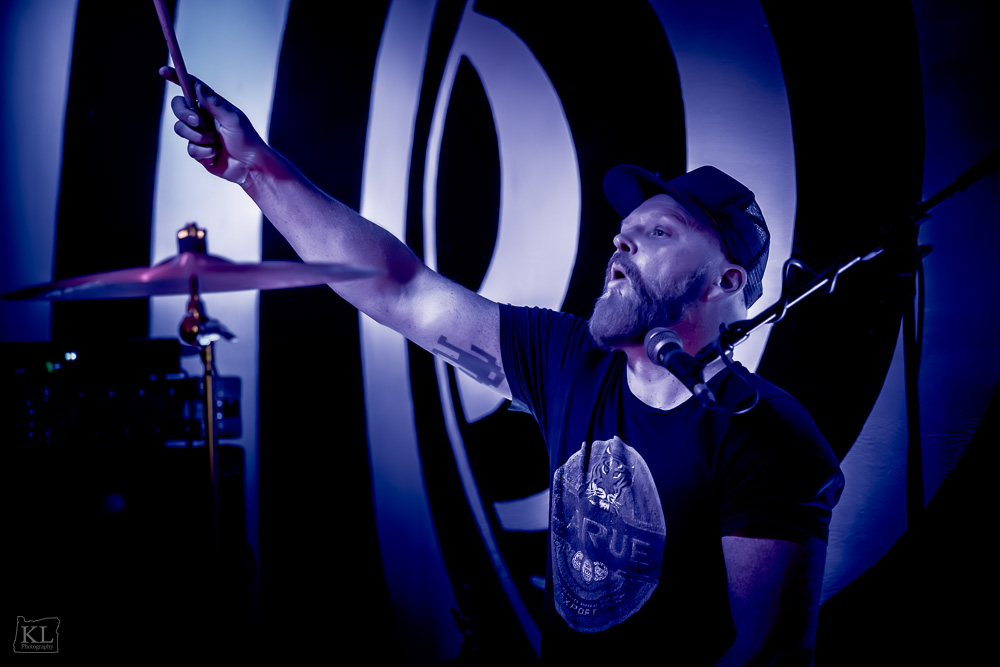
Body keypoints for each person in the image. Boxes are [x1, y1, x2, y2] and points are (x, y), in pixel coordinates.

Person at [161, 67, 844, 665]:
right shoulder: (570, 359)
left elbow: (770, 655)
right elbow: (403, 290)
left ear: (726, 281)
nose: (621, 239)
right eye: (625, 230)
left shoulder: (765, 434)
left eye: (659, 231)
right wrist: (254, 168)